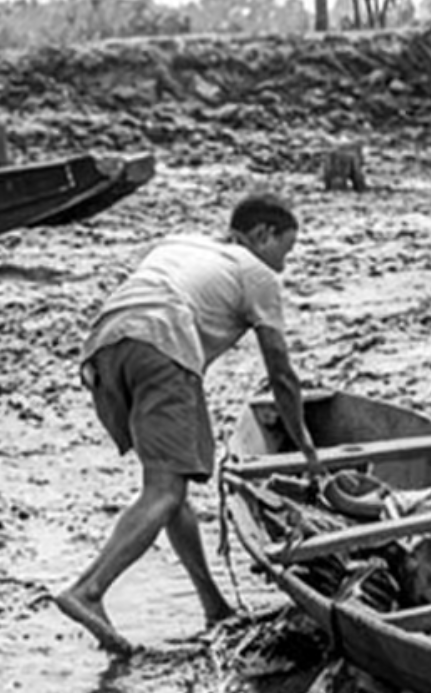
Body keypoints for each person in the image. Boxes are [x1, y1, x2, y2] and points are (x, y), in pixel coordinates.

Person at [55, 191, 321, 655]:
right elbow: (279, 370)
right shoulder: (255, 271)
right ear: (262, 234)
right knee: (164, 492)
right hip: (161, 343)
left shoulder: (182, 245)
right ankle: (88, 590)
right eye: (286, 250)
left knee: (169, 491)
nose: (283, 265)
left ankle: (213, 605)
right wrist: (306, 448)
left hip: (105, 348)